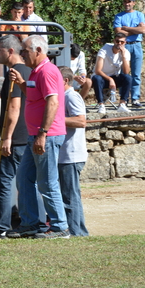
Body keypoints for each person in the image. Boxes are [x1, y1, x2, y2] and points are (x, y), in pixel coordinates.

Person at [7, 35, 69, 239]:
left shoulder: (48, 72)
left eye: (25, 51)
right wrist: (22, 82)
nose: (22, 54)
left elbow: (53, 102)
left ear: (39, 50)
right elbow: (33, 95)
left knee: (47, 183)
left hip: (46, 136)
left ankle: (60, 228)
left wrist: (43, 133)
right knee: (24, 178)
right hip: (35, 136)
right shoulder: (35, 72)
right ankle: (30, 223)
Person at [0, 35, 30, 238]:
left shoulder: (15, 73)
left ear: (10, 51)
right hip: (25, 136)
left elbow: (15, 107)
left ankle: (1, 228)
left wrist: (6, 137)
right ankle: (31, 222)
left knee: (4, 183)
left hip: (16, 139)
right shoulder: (28, 71)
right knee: (28, 183)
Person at [58, 66, 89, 237]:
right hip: (64, 155)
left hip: (71, 155)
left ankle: (77, 233)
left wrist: (55, 120)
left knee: (70, 197)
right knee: (67, 196)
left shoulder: (72, 96)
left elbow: (81, 121)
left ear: (65, 80)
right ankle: (76, 231)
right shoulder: (63, 96)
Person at [113, 0, 145, 107]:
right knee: (124, 73)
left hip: (137, 45)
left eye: (129, 2)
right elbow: (118, 32)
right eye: (125, 1)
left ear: (134, 3)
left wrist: (126, 28)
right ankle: (124, 98)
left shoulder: (139, 15)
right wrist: (135, 29)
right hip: (124, 46)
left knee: (136, 73)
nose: (127, 4)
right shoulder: (119, 16)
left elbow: (142, 30)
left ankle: (135, 98)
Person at [92, 32, 132, 114]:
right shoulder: (104, 49)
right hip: (102, 77)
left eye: (122, 42)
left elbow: (126, 71)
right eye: (117, 41)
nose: (119, 44)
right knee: (96, 78)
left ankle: (122, 104)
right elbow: (97, 70)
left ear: (125, 43)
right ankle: (101, 105)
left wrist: (124, 56)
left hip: (114, 77)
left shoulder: (126, 52)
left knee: (128, 78)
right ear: (114, 41)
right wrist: (110, 79)